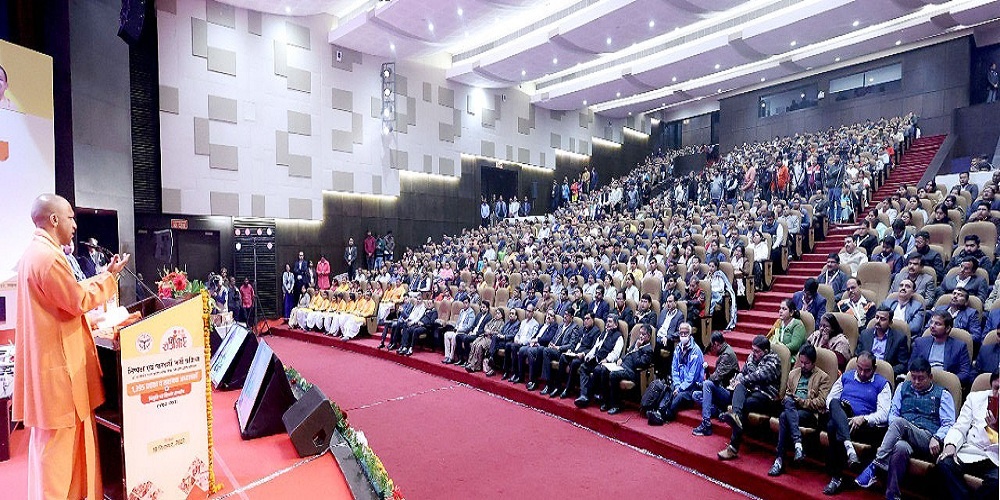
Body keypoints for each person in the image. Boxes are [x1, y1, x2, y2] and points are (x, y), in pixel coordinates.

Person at [14, 193, 131, 500]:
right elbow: (76, 299)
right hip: (59, 377)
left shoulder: (34, 253)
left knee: (60, 454)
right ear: (54, 220)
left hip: (51, 369)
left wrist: (91, 322)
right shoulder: (50, 258)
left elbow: (56, 312)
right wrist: (109, 277)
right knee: (59, 461)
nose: (75, 225)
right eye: (70, 218)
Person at [855, 357, 955, 499]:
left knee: (900, 423)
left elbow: (949, 423)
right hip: (903, 436)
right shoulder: (902, 387)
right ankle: (892, 495)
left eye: (921, 378)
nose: (916, 382)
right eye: (913, 377)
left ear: (930, 377)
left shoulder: (943, 394)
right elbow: (892, 414)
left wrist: (937, 437)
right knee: (900, 447)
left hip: (927, 438)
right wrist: (898, 432)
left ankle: (875, 466)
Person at [822, 351, 892, 495]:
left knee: (832, 426)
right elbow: (830, 399)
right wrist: (841, 416)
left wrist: (864, 418)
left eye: (867, 370)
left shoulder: (882, 384)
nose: (862, 372)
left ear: (874, 368)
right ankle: (848, 449)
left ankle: (837, 477)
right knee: (834, 403)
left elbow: (884, 415)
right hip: (844, 418)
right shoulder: (846, 377)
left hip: (864, 426)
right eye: (859, 368)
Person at [769, 344, 832, 477]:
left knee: (784, 416)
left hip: (809, 413)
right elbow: (787, 394)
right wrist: (791, 399)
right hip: (793, 408)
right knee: (787, 405)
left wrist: (801, 401)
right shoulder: (793, 373)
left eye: (806, 363)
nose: (803, 366)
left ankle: (780, 459)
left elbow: (822, 402)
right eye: (801, 362)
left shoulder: (823, 377)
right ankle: (797, 445)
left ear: (813, 362)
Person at [717, 335, 782, 461]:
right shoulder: (751, 357)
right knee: (739, 388)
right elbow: (743, 371)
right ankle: (736, 420)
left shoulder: (774, 360)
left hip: (766, 395)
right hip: (751, 391)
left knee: (744, 401)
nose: (754, 353)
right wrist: (737, 379)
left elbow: (760, 375)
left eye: (757, 351)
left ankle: (733, 444)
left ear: (766, 351)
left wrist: (742, 379)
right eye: (753, 350)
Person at [937, 369, 999, 500]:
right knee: (944, 464)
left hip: (995, 459)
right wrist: (950, 445)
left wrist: (995, 429)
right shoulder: (975, 398)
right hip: (971, 452)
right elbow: (960, 427)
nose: (999, 393)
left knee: (997, 483)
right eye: (996, 388)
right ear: (991, 385)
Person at [647, 323, 703, 425]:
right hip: (680, 384)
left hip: (692, 388)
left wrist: (680, 388)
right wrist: (677, 385)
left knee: (679, 395)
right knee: (668, 388)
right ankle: (658, 411)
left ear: (690, 335)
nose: (683, 335)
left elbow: (692, 377)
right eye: (681, 333)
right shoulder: (678, 348)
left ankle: (667, 415)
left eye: (685, 333)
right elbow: (674, 369)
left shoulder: (696, 351)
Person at [596, 323, 654, 414]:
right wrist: (621, 359)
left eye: (643, 334)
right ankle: (606, 401)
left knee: (613, 374)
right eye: (640, 334)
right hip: (622, 366)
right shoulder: (636, 343)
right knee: (603, 369)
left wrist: (637, 349)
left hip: (632, 372)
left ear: (649, 336)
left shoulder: (649, 350)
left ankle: (616, 405)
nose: (641, 336)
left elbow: (638, 363)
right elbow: (627, 354)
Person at [573, 314, 624, 408]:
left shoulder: (619, 336)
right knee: (583, 367)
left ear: (616, 324)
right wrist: (589, 355)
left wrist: (607, 359)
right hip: (597, 359)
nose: (607, 324)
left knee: (597, 370)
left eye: (610, 322)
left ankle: (587, 397)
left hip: (607, 362)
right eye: (607, 321)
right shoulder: (603, 333)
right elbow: (596, 346)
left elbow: (616, 353)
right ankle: (583, 395)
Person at [913, 311, 974, 386]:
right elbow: (911, 365)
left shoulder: (959, 346)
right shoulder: (920, 342)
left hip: (945, 385)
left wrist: (947, 381)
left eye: (937, 324)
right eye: (931, 322)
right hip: (920, 382)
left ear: (947, 328)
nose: (932, 326)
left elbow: (965, 373)